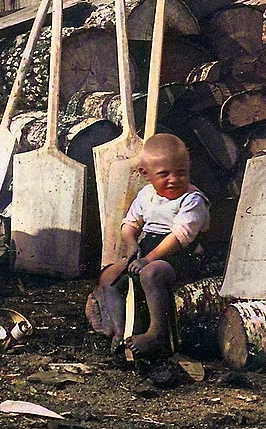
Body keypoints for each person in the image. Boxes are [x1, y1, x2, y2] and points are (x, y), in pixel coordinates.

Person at [87, 133, 210, 359]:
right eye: (164, 175)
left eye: (181, 172)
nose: (173, 179)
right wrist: (132, 244)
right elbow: (129, 223)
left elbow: (180, 236)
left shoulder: (192, 200)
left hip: (181, 256)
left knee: (151, 274)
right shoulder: (147, 195)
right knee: (109, 277)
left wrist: (148, 259)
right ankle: (119, 330)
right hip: (149, 250)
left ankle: (157, 334)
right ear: (146, 174)